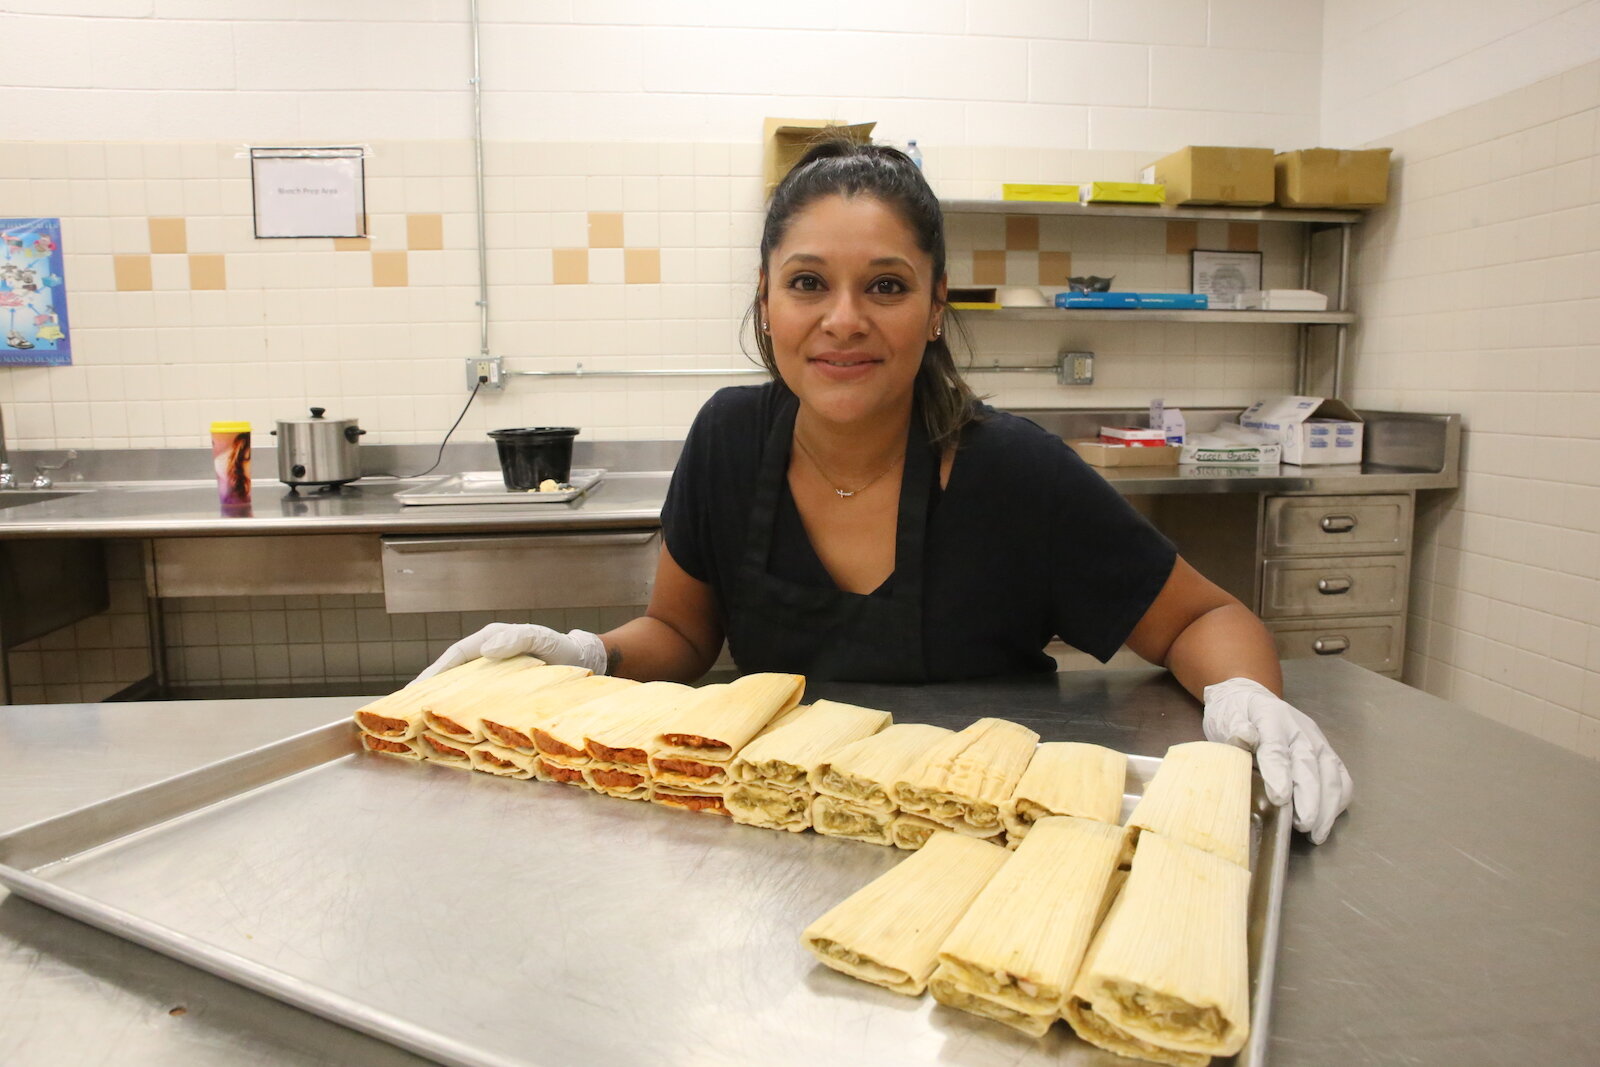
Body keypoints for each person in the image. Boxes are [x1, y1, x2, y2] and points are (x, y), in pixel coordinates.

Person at [420, 140, 1353, 843]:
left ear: (937, 305)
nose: (843, 320)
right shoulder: (728, 440)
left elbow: (1201, 618)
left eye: (886, 286)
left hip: (985, 837)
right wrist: (586, 655)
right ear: (765, 301)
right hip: (779, 826)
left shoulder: (1014, 472)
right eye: (808, 283)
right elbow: (684, 633)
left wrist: (1247, 699)